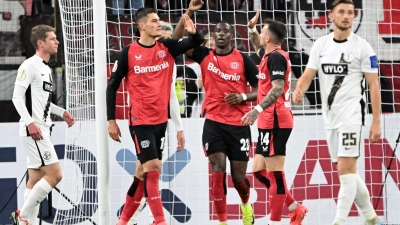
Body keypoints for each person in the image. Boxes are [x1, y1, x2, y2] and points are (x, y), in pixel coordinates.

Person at [106, 7, 204, 225]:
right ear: (142, 26)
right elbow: (112, 86)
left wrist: (194, 31)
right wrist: (111, 120)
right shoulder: (128, 53)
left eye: (160, 20)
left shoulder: (167, 47)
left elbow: (195, 42)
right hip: (140, 122)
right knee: (154, 169)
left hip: (161, 123)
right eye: (154, 21)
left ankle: (122, 222)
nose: (159, 24)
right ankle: (160, 221)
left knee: (141, 174)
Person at [292, 0, 382, 224]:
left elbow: (374, 85)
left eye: (350, 13)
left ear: (354, 16)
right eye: (341, 12)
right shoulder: (320, 45)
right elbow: (308, 74)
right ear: (331, 16)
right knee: (346, 170)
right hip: (330, 118)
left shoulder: (363, 47)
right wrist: (299, 89)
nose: (346, 16)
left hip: (352, 116)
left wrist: (376, 122)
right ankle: (371, 218)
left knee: (345, 169)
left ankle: (338, 222)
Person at [173, 1, 259, 224]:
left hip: (239, 125)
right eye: (218, 31)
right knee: (218, 170)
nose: (221, 34)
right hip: (213, 123)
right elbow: (174, 40)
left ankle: (246, 206)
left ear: (232, 36)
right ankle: (222, 221)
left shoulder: (243, 59)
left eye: (225, 31)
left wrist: (242, 97)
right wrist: (190, 12)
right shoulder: (204, 55)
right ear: (214, 36)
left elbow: (263, 90)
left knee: (239, 179)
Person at [242, 14, 308, 225]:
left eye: (262, 32)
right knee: (259, 171)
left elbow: (278, 88)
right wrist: (252, 30)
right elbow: (257, 46)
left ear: (269, 38)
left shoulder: (277, 57)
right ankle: (295, 208)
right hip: (268, 121)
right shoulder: (269, 56)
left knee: (275, 174)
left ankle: (276, 221)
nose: (260, 35)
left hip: (276, 120)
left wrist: (257, 110)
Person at [10, 24, 75, 225]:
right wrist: (30, 123)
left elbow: (44, 103)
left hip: (42, 129)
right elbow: (16, 97)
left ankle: (28, 221)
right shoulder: (29, 65)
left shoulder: (45, 69)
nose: (57, 42)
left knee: (36, 178)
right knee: (55, 175)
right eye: (52, 38)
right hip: (35, 131)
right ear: (41, 43)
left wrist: (62, 112)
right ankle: (22, 216)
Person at [128, 20, 185, 225]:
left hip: (159, 122)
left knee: (145, 171)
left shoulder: (168, 62)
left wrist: (178, 127)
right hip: (141, 120)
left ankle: (131, 220)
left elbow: (171, 98)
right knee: (150, 170)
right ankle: (154, 219)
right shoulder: (135, 56)